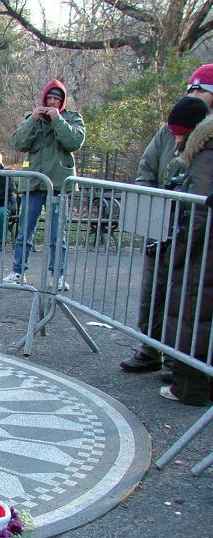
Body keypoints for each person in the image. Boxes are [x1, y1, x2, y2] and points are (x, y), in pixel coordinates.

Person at [120, 64, 213, 374]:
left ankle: (181, 361)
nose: (194, 93)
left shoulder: (206, 135)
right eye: (191, 88)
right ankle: (150, 347)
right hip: (162, 222)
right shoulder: (172, 126)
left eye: (201, 89)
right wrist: (151, 205)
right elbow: (147, 167)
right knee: (154, 289)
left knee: (186, 296)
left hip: (194, 229)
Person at [3, 79, 85, 290]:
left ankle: (57, 275)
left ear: (62, 101)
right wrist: (33, 120)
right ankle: (18, 271)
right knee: (25, 231)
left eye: (56, 99)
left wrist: (58, 121)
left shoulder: (73, 119)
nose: (52, 102)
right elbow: (19, 143)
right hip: (33, 183)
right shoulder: (33, 119)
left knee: (57, 233)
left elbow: (74, 142)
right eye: (49, 98)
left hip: (59, 184)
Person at [160, 97, 213, 406]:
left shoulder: (205, 156)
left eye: (178, 133)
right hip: (201, 253)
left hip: (201, 256)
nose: (175, 139)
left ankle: (190, 388)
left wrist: (177, 250)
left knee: (193, 318)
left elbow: (199, 214)